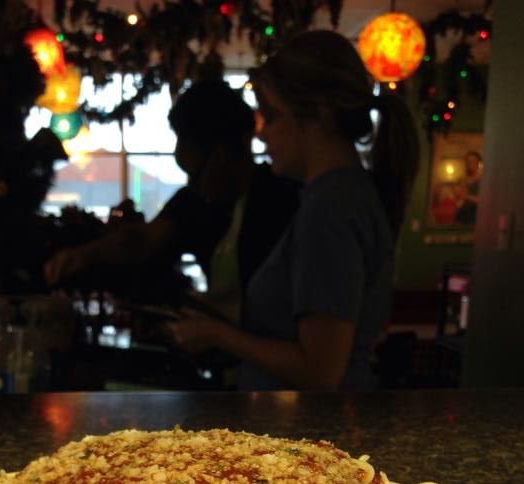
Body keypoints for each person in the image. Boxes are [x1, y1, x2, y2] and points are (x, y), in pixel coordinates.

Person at [167, 30, 421, 390]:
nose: (261, 134)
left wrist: (218, 335)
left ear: (317, 114)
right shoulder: (336, 197)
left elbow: (320, 370)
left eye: (271, 117)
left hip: (316, 430)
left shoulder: (332, 209)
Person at [43, 80, 300, 324]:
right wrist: (86, 255)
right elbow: (141, 241)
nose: (193, 184)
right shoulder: (195, 202)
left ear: (221, 155)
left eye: (195, 172)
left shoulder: (281, 203)